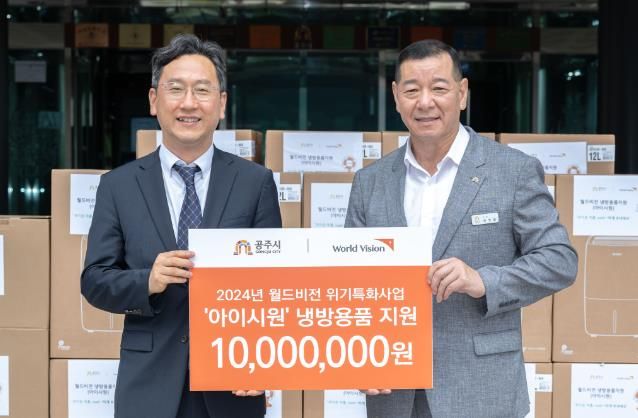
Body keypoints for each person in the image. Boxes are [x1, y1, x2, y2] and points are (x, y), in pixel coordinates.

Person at [344, 39, 577, 418]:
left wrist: (483, 280)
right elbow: (351, 282)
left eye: (439, 88)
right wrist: (360, 358)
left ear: (462, 93)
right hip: (394, 392)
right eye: (412, 90)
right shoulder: (370, 182)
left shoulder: (512, 171)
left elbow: (559, 261)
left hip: (481, 389)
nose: (425, 102)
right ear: (396, 97)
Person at [81, 34, 281, 418]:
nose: (189, 103)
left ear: (222, 103)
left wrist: (261, 361)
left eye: (202, 90)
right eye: (176, 89)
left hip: (231, 383)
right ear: (154, 100)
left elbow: (273, 285)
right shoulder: (118, 186)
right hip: (148, 387)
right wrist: (148, 280)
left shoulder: (255, 183)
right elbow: (94, 281)